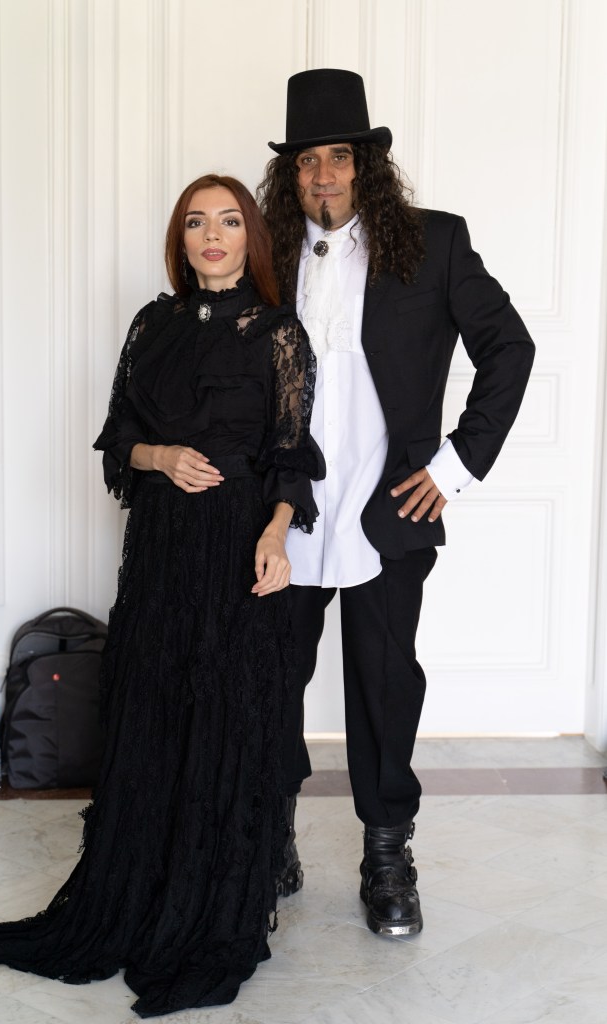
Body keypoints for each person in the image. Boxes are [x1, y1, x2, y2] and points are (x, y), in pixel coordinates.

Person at [0, 174, 323, 1018]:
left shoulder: (278, 332)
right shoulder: (151, 325)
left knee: (225, 717)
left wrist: (274, 537)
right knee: (155, 708)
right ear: (180, 240)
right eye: (196, 222)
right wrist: (160, 457)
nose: (212, 235)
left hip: (237, 548)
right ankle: (139, 888)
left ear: (250, 239)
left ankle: (217, 895)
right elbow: (119, 434)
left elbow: (291, 453)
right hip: (158, 548)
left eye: (228, 221)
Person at [258, 69, 535, 936]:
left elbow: (509, 347)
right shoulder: (264, 252)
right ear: (290, 175)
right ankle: (269, 838)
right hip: (282, 510)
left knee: (384, 683)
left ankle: (385, 852)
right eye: (306, 161)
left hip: (389, 508)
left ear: (366, 165)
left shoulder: (431, 242)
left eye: (338, 157)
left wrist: (453, 468)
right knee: (268, 679)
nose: (322, 176)